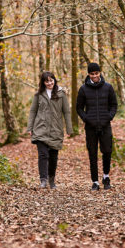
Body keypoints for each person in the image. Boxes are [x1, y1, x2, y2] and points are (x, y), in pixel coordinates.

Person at [27, 71, 74, 189]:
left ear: (54, 80)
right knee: (43, 155)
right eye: (47, 81)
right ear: (43, 82)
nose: (49, 83)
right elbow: (33, 111)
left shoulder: (61, 94)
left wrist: (69, 128)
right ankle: (43, 180)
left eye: (51, 80)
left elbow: (66, 112)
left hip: (56, 129)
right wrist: (30, 127)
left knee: (53, 157)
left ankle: (51, 179)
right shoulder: (38, 95)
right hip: (40, 129)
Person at [76, 62, 118, 190]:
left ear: (100, 73)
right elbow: (79, 108)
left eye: (96, 73)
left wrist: (109, 116)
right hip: (90, 127)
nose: (94, 76)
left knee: (107, 151)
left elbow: (114, 105)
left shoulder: (108, 87)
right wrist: (86, 119)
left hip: (105, 126)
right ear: (88, 74)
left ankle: (106, 177)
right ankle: (95, 181)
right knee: (92, 153)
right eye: (92, 74)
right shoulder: (83, 89)